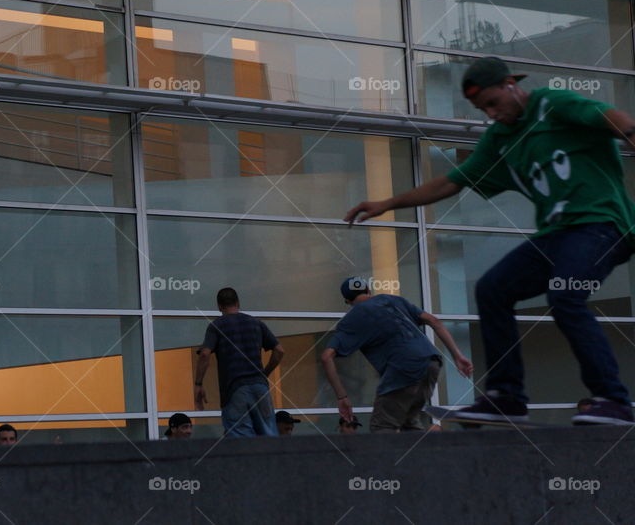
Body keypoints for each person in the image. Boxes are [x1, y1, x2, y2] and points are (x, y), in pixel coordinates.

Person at [346, 56, 635, 425]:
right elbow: (450, 182)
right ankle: (506, 396)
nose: (492, 114)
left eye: (494, 104)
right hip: (557, 235)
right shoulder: (500, 139)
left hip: (604, 226)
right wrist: (388, 203)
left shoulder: (552, 104)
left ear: (511, 85)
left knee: (564, 295)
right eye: (483, 110)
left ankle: (613, 399)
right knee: (492, 289)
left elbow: (612, 117)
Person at [322, 277, 474, 433]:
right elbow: (434, 321)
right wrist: (457, 356)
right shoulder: (393, 300)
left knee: (382, 426)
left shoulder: (352, 319)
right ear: (368, 290)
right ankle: (426, 454)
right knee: (408, 424)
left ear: (348, 301)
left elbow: (327, 357)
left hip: (403, 368)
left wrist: (342, 398)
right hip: (431, 363)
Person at [194, 287, 285, 437]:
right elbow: (280, 351)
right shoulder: (256, 323)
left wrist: (198, 384)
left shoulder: (216, 326)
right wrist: (265, 373)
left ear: (219, 306)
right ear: (238, 302)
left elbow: (204, 354)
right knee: (270, 439)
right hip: (260, 388)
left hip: (234, 389)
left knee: (241, 442)